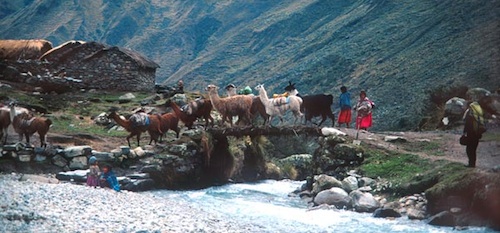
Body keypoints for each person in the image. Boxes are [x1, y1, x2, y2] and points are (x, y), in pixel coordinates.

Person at [462, 101, 486, 167]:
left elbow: (467, 124)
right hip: (477, 134)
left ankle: (471, 164)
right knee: (474, 149)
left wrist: (464, 133)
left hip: (471, 134)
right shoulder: (479, 114)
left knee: (469, 150)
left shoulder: (469, 113)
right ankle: (473, 164)